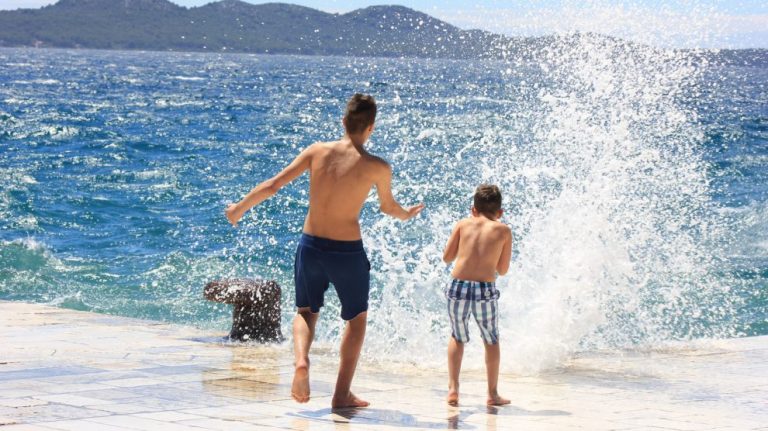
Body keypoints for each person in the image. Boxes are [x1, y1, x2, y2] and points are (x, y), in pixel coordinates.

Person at [225, 94, 424, 408]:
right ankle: (341, 394)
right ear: (371, 128)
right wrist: (407, 214)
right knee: (356, 319)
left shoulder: (317, 151)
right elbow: (388, 207)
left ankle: (301, 361)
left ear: (343, 122)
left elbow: (274, 185)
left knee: (306, 312)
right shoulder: (377, 167)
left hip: (311, 245)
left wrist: (239, 208)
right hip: (348, 252)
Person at [442, 184, 512, 406]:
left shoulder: (463, 224)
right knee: (491, 339)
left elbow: (447, 257)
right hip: (484, 289)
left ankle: (453, 389)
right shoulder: (503, 230)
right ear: (500, 212)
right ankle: (492, 394)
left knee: (457, 336)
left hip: (458, 286)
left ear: (473, 209)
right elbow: (502, 270)